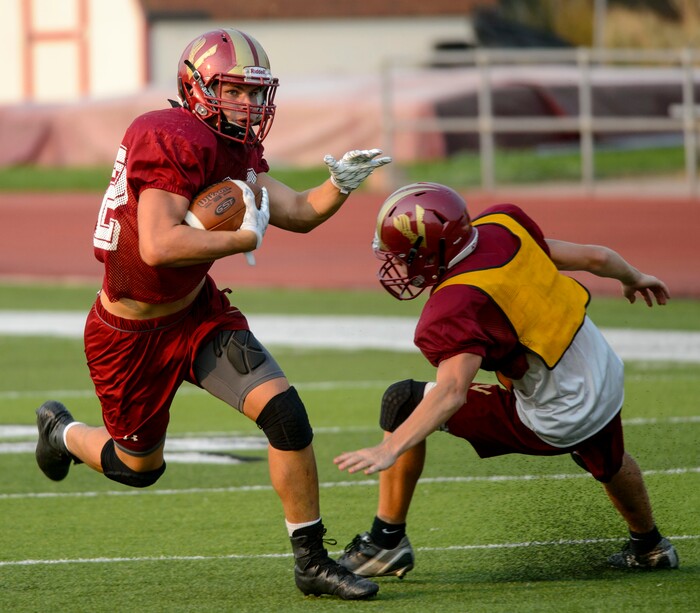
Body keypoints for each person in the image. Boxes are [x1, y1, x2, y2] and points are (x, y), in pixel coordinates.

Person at [34, 27, 391, 600]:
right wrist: (239, 239)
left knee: (286, 415)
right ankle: (62, 432)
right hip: (128, 334)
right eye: (234, 91)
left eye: (256, 93)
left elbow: (296, 211)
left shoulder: (233, 148)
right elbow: (157, 246)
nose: (249, 105)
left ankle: (312, 563)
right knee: (138, 467)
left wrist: (341, 184)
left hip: (197, 316)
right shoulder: (171, 134)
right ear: (197, 86)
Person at [334, 181, 679, 578]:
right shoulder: (502, 226)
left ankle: (385, 543)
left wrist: (391, 446)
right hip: (601, 371)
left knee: (403, 400)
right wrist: (633, 277)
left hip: (559, 413)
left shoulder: (457, 300)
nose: (399, 265)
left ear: (436, 249)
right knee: (606, 457)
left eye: (405, 255)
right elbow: (597, 258)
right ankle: (650, 546)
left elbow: (450, 393)